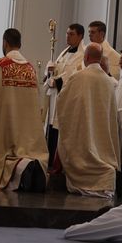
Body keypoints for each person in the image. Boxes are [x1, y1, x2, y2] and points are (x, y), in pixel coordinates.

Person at [0, 28, 49, 191]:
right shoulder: (31, 69)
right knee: (25, 152)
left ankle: (19, 169)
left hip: (5, 127)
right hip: (27, 135)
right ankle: (26, 165)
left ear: (5, 43)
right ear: (20, 44)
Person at [55, 45, 120, 197]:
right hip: (102, 135)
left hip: (82, 131)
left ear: (86, 57)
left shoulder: (78, 77)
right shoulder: (109, 81)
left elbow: (62, 101)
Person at [43, 22, 85, 157]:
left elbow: (76, 74)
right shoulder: (64, 52)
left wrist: (58, 81)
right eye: (67, 33)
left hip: (67, 98)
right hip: (55, 97)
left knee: (60, 128)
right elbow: (56, 70)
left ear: (80, 36)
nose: (67, 37)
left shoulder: (83, 55)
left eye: (71, 34)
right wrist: (49, 70)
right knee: (51, 126)